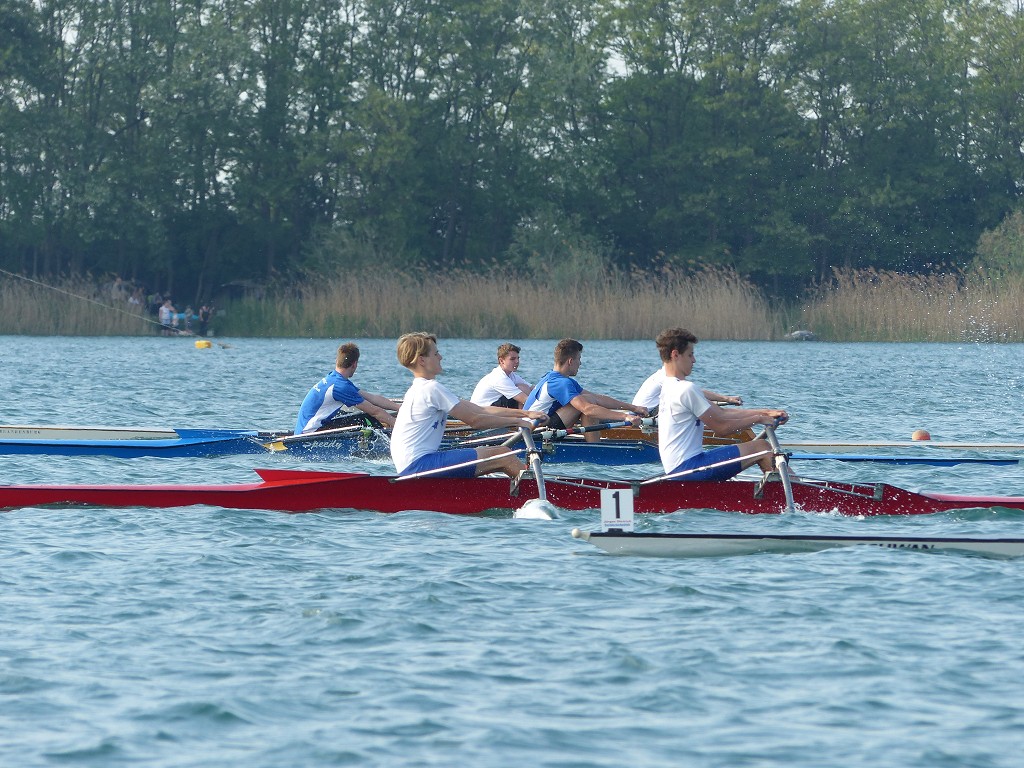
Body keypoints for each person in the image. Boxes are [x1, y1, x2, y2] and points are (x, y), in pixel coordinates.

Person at [390, 332, 549, 478]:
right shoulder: (431, 388)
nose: (441, 357)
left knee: (498, 454)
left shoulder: (420, 388)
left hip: (412, 464)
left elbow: (479, 409)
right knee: (504, 455)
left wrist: (526, 414)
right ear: (421, 360)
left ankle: (519, 488)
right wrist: (518, 422)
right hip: (419, 465)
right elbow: (475, 420)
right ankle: (542, 492)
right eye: (436, 353)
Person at [654, 328, 788, 480]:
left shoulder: (669, 386)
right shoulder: (686, 389)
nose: (694, 360)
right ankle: (796, 492)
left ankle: (782, 489)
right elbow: (722, 428)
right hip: (688, 468)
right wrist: (759, 419)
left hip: (679, 468)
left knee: (761, 447)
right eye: (690, 355)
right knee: (762, 448)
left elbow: (722, 413)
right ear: (675, 355)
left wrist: (766, 413)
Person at [523, 338, 647, 442]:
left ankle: (594, 443)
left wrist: (634, 408)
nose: (580, 363)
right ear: (570, 361)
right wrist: (625, 417)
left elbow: (598, 398)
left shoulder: (557, 378)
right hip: (531, 434)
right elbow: (587, 409)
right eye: (579, 359)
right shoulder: (559, 383)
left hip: (540, 426)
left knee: (589, 400)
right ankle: (595, 449)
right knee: (587, 405)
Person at [295, 343, 403, 434]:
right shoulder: (341, 386)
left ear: (337, 361)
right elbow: (375, 411)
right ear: (355, 364)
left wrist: (400, 408)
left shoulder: (334, 378)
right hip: (309, 433)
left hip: (306, 429)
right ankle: (392, 438)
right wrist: (402, 428)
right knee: (365, 419)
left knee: (358, 415)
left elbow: (372, 398)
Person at [632, 368, 743, 412]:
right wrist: (727, 399)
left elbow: (693, 392)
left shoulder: (661, 374)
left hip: (644, 412)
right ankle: (722, 419)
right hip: (645, 415)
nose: (693, 361)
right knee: (687, 399)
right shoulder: (666, 377)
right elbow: (694, 393)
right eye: (689, 356)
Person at [470, 342, 532, 408]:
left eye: (518, 358)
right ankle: (525, 414)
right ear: (501, 361)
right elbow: (524, 399)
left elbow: (532, 388)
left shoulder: (511, 375)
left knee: (524, 387)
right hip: (481, 411)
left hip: (492, 407)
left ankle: (525, 413)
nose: (517, 361)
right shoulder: (499, 378)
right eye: (512, 359)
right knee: (522, 390)